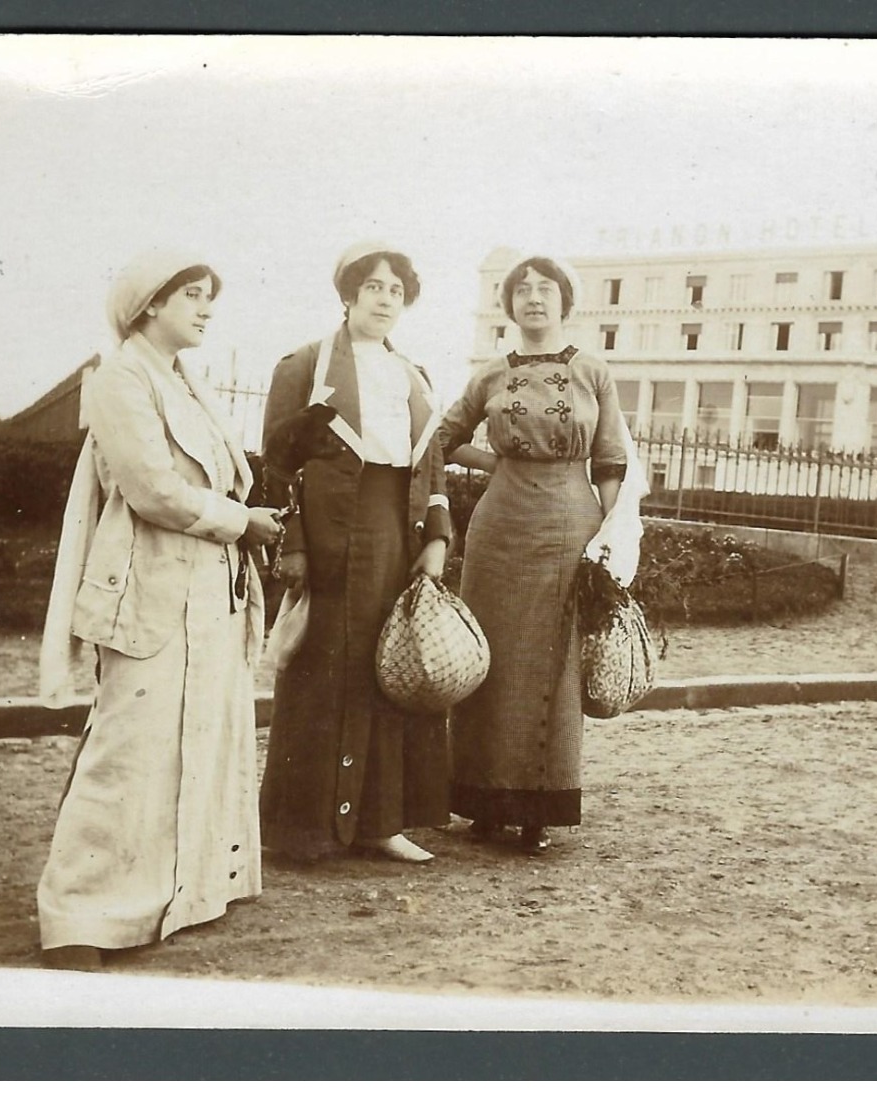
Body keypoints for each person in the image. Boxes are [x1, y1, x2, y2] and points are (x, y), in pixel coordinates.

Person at [34, 249, 282, 971]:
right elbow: (152, 489)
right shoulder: (119, 380)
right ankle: (79, 917)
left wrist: (242, 519)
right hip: (147, 586)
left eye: (210, 297)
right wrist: (242, 522)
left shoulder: (188, 385)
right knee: (129, 748)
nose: (206, 309)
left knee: (197, 739)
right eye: (192, 296)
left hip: (206, 591)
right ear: (148, 306)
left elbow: (211, 482)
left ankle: (184, 893)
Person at [256, 241, 453, 864]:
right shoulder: (307, 367)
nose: (385, 299)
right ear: (348, 294)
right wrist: (293, 545)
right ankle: (302, 829)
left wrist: (438, 542)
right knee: (324, 673)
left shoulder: (414, 376)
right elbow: (276, 468)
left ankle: (379, 822)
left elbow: (434, 467)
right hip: (333, 534)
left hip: (398, 532)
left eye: (396, 290)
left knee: (393, 671)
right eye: (373, 287)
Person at [438, 254, 640, 853]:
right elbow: (443, 439)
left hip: (566, 525)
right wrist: (495, 461)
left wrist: (608, 539)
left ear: (564, 301)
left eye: (544, 289)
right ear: (508, 305)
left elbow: (609, 459)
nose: (532, 298)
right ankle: (481, 804)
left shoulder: (594, 372)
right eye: (521, 290)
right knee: (491, 661)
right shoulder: (490, 374)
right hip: (499, 529)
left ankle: (538, 810)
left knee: (549, 664)